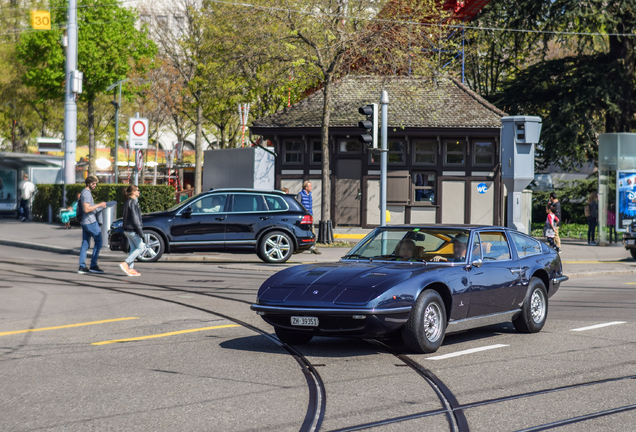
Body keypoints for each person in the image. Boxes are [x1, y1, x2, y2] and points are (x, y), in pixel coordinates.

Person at [78, 176, 107, 274]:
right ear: (88, 183)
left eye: (95, 183)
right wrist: (99, 205)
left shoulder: (84, 192)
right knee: (99, 242)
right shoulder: (86, 193)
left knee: (85, 244)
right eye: (93, 183)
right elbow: (87, 209)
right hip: (90, 221)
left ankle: (82, 266)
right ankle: (93, 265)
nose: (95, 185)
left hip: (84, 221)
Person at [120, 185, 144, 277]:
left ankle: (130, 269)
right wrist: (141, 232)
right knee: (140, 248)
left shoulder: (127, 202)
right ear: (133, 192)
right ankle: (126, 263)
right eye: (137, 190)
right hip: (133, 229)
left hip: (127, 229)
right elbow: (135, 218)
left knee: (133, 249)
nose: (139, 192)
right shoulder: (133, 202)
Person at [296, 181, 321, 254]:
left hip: (309, 216)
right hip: (304, 216)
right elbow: (298, 205)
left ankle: (313, 247)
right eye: (310, 186)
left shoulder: (310, 195)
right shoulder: (300, 194)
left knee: (312, 231)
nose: (311, 188)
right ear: (306, 187)